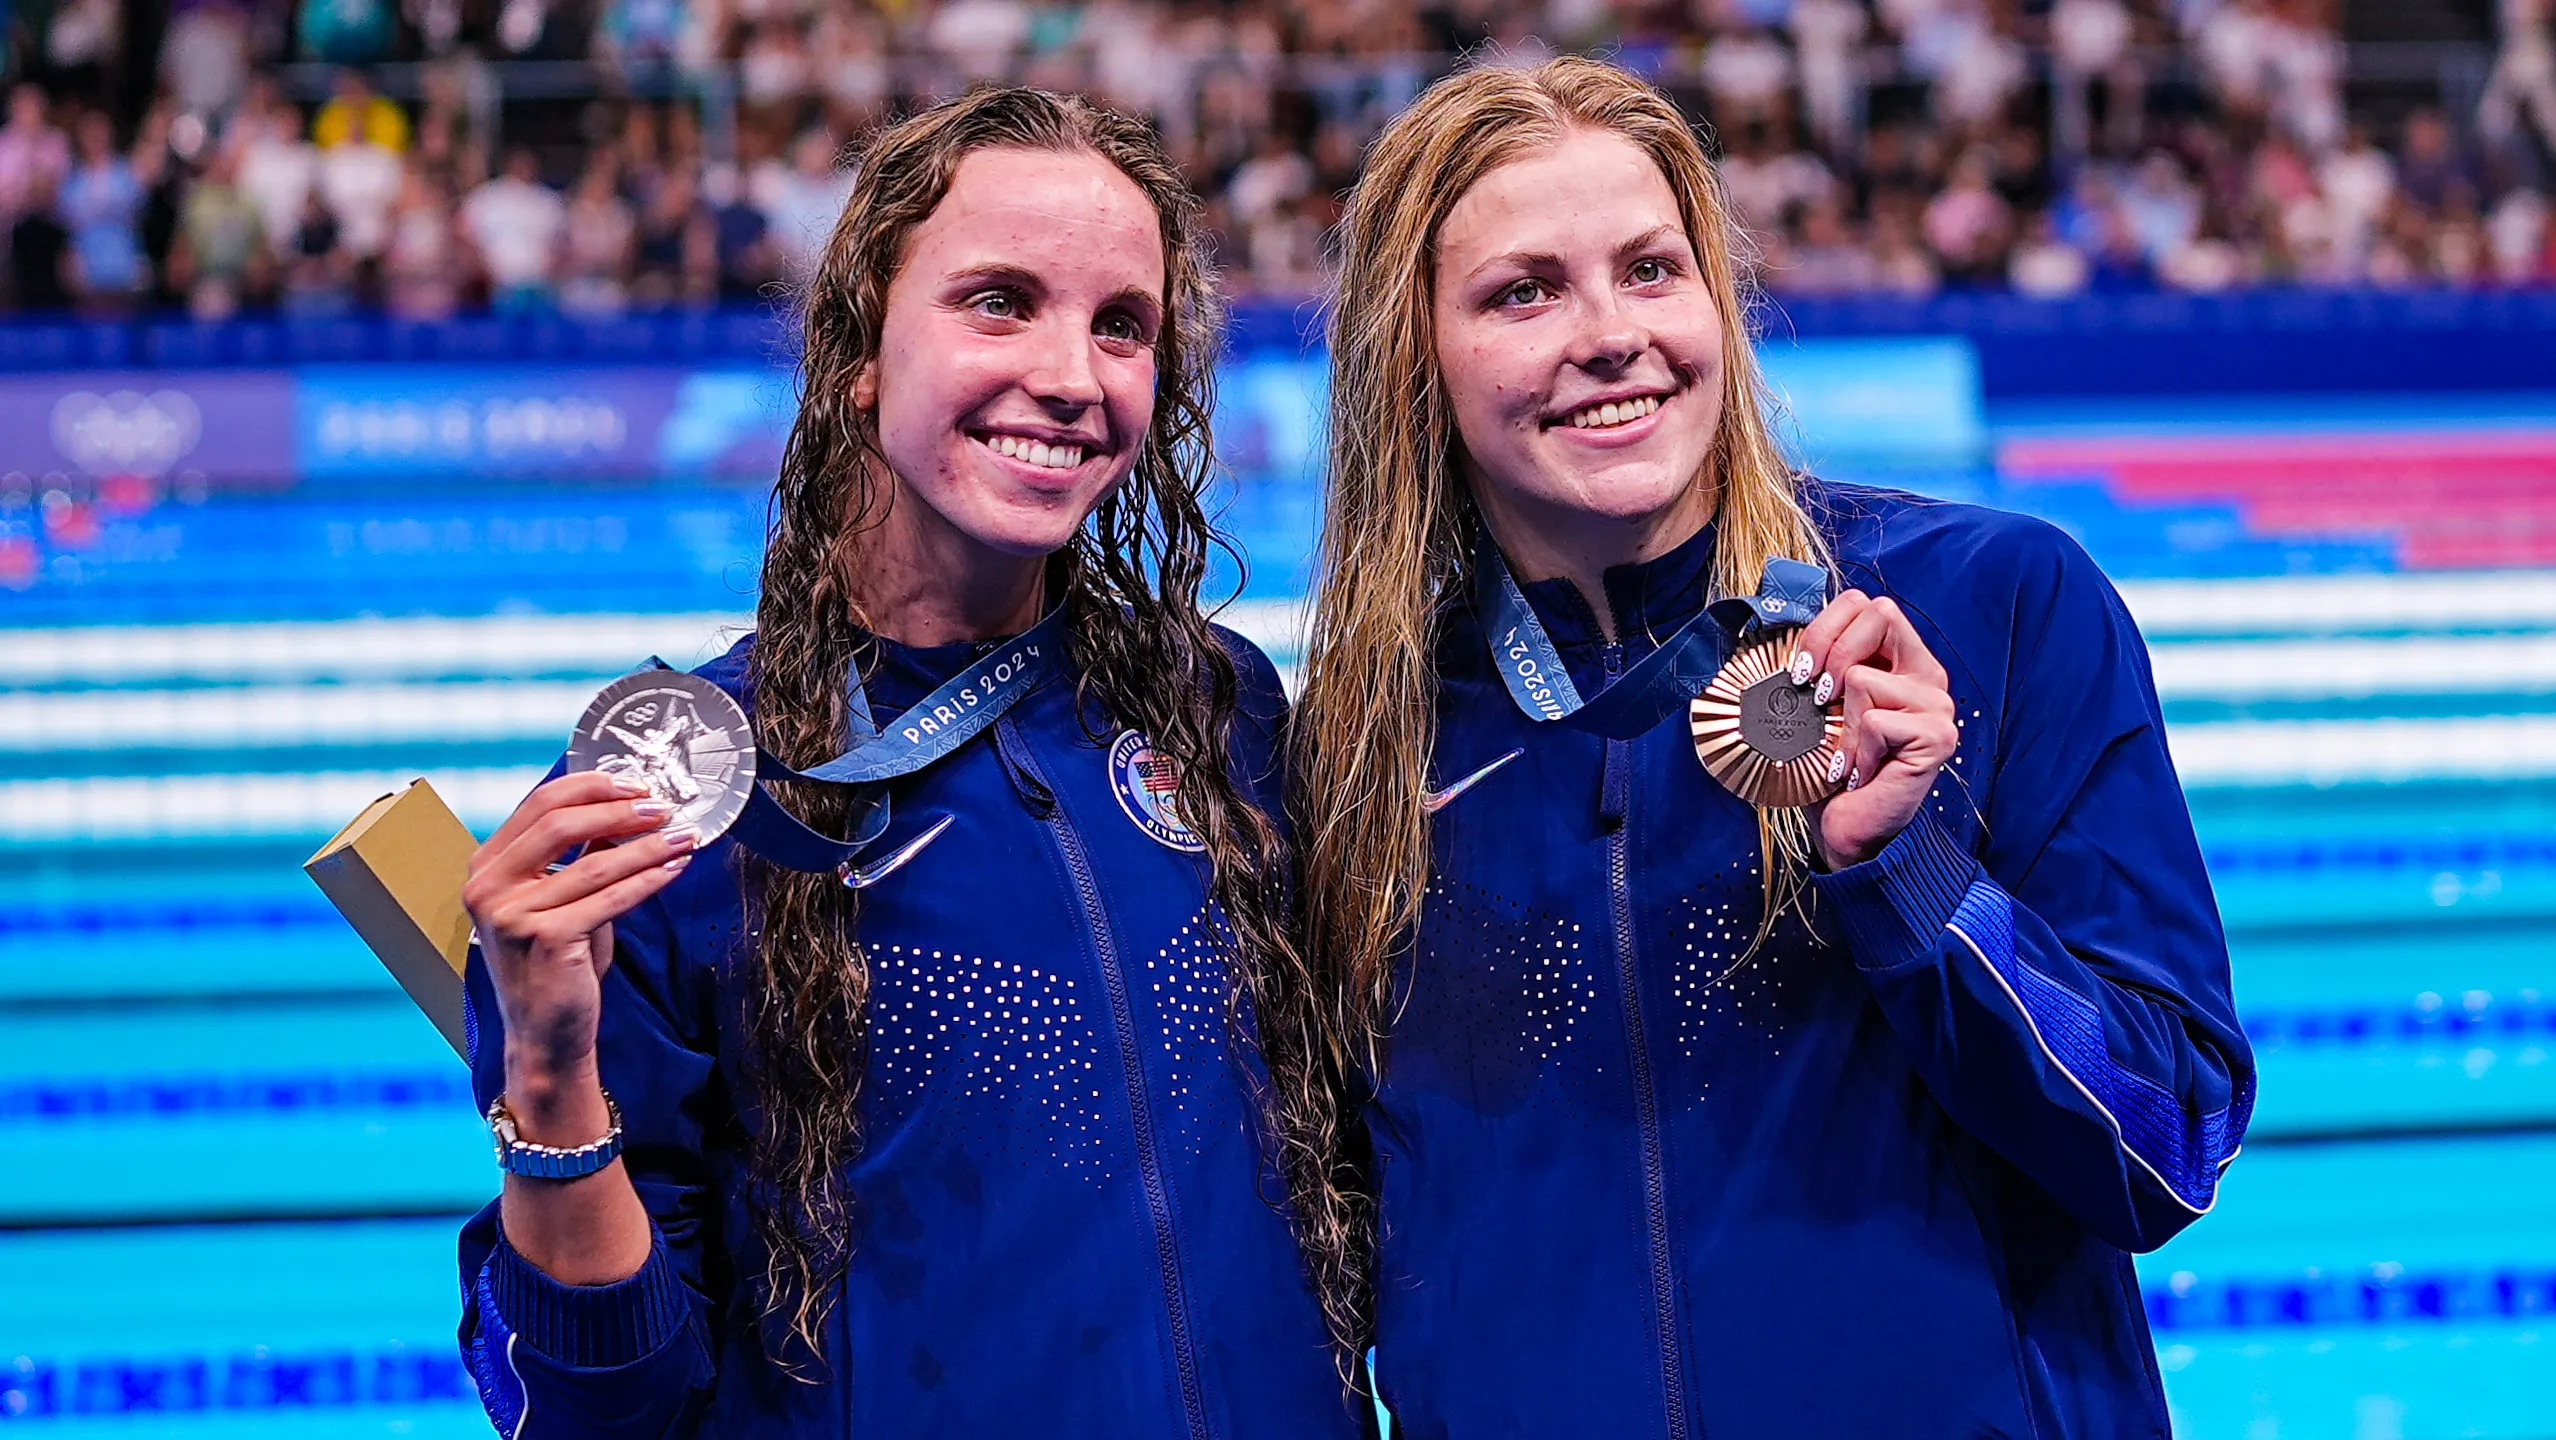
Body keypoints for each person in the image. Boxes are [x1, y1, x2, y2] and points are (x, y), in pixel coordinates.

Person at [1290, 57, 2254, 1438]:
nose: (1611, 334)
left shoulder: (1994, 606)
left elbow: (2166, 1147)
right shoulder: (1368, 740)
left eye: (1651, 269)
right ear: (1413, 355)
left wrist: (1912, 878)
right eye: (1524, 291)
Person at [455, 86, 1361, 1438]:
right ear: (861, 345)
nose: (1072, 373)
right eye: (1000, 300)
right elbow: (609, 1411)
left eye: (1123, 325)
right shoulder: (671, 813)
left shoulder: (1216, 708)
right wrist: (547, 1077)